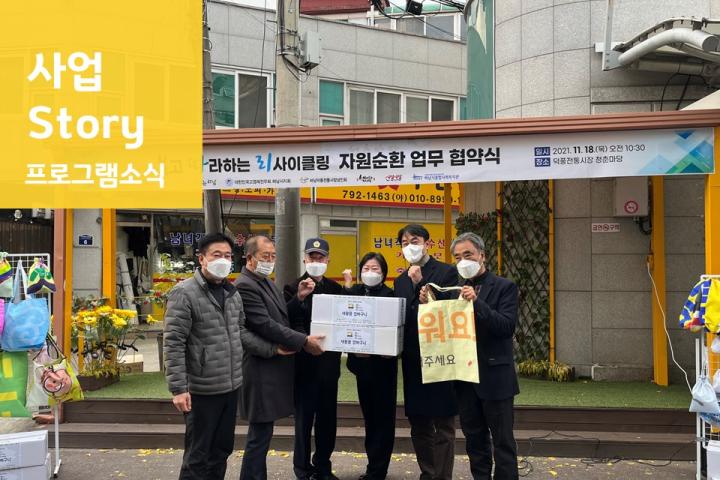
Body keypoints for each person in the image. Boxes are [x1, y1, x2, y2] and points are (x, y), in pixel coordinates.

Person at [421, 231, 520, 480]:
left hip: (495, 377)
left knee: (503, 441)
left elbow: (506, 327)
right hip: (464, 378)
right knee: (475, 440)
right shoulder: (452, 289)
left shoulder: (505, 287)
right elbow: (442, 326)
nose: (463, 260)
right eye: (457, 257)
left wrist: (477, 302)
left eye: (468, 254)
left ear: (482, 256)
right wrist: (428, 303)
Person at [235, 235, 325, 480]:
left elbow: (280, 316)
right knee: (259, 435)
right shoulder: (245, 285)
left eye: (273, 256)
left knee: (263, 434)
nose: (270, 261)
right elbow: (264, 324)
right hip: (259, 370)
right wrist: (303, 341)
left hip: (272, 370)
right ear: (249, 258)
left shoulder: (265, 281)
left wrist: (299, 298)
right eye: (265, 256)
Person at [163, 232, 244, 479]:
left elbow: (240, 332)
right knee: (197, 456)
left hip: (230, 387)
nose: (223, 260)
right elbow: (173, 342)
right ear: (202, 259)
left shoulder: (232, 293)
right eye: (216, 255)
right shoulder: (184, 293)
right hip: (201, 390)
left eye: (228, 256)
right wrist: (178, 388)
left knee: (221, 451)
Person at [393, 224, 458, 480]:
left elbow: (451, 310)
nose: (410, 246)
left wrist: (421, 283)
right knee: (419, 423)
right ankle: (427, 473)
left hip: (440, 356)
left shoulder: (446, 272)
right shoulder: (399, 281)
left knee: (444, 423)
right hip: (412, 359)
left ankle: (442, 476)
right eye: (405, 243)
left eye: (415, 241)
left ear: (427, 244)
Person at [283, 237, 344, 480]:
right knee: (303, 421)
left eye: (321, 257)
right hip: (303, 366)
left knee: (327, 420)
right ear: (304, 259)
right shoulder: (292, 287)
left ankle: (323, 467)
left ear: (328, 260)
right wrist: (298, 298)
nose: (316, 261)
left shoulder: (336, 288)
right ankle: (302, 469)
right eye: (312, 257)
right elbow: (285, 321)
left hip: (329, 366)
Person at [342, 252, 398, 480]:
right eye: (366, 268)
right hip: (362, 368)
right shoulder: (355, 291)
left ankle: (378, 470)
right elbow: (344, 320)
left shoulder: (390, 295)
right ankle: (372, 465)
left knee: (384, 419)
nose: (370, 273)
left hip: (384, 368)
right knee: (370, 418)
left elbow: (394, 330)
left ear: (383, 273)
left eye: (375, 269)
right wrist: (347, 286)